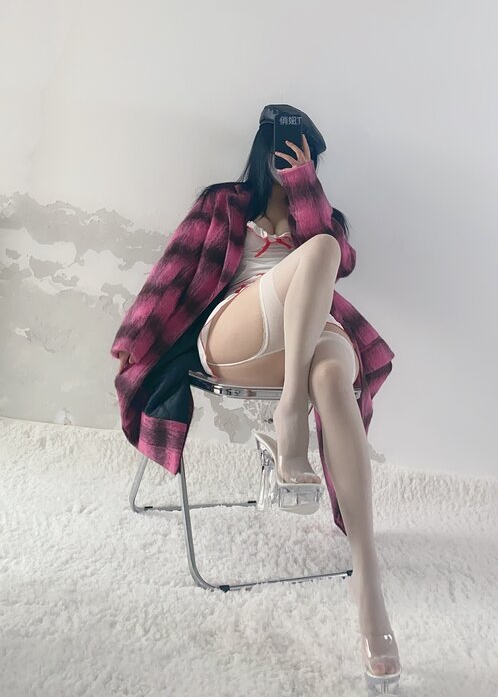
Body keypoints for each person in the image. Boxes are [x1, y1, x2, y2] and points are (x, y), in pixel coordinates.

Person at [115, 103, 401, 693]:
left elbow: (342, 262)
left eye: (305, 152)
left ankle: (369, 588)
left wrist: (305, 190)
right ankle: (291, 413)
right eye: (284, 148)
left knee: (333, 372)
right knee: (318, 254)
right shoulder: (221, 203)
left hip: (311, 340)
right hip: (237, 332)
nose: (292, 158)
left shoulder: (321, 217)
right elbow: (173, 269)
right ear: (263, 150)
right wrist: (133, 337)